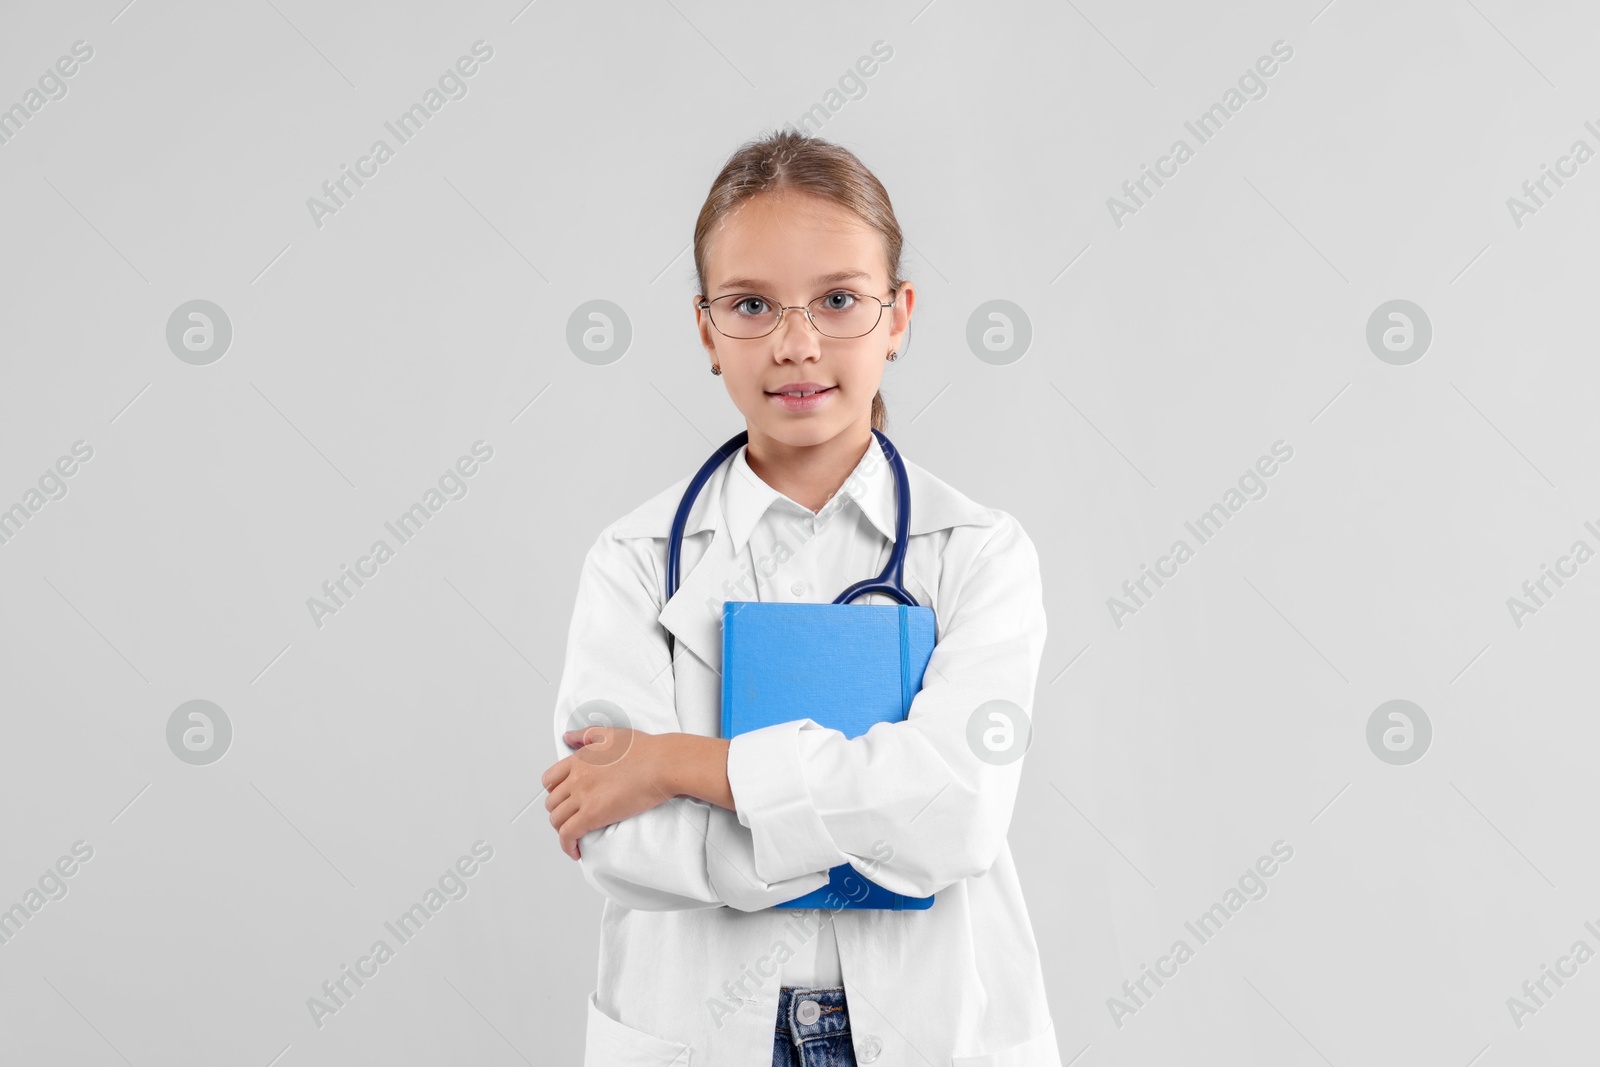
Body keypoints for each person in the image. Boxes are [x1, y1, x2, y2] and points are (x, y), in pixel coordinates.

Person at [540, 129, 1061, 1066]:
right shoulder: (632, 561)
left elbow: (958, 816)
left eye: (838, 300)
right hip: (698, 1030)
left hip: (928, 1029)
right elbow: (619, 844)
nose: (797, 343)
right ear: (705, 328)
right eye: (751, 304)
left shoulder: (980, 554)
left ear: (898, 317)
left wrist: (678, 762)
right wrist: (873, 843)